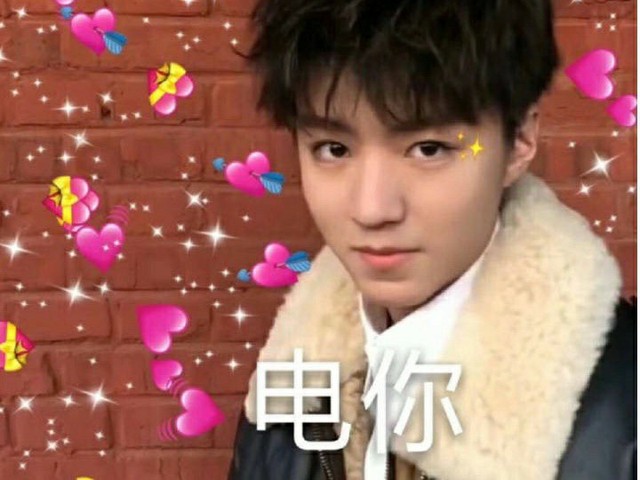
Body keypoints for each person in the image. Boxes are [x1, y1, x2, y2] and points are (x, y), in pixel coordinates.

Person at [227, 0, 637, 479]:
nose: (372, 209)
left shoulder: (621, 415)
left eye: (428, 149)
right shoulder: (288, 387)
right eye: (333, 149)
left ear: (519, 142)